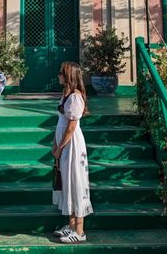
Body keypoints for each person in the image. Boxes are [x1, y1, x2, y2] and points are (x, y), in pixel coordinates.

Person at [52, 61, 93, 243]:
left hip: (72, 145)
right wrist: (55, 145)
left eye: (61, 73)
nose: (59, 75)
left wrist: (60, 147)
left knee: (76, 180)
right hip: (63, 142)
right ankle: (70, 225)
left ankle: (79, 230)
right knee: (67, 181)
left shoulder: (76, 98)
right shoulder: (66, 95)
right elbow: (60, 124)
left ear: (68, 76)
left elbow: (71, 127)